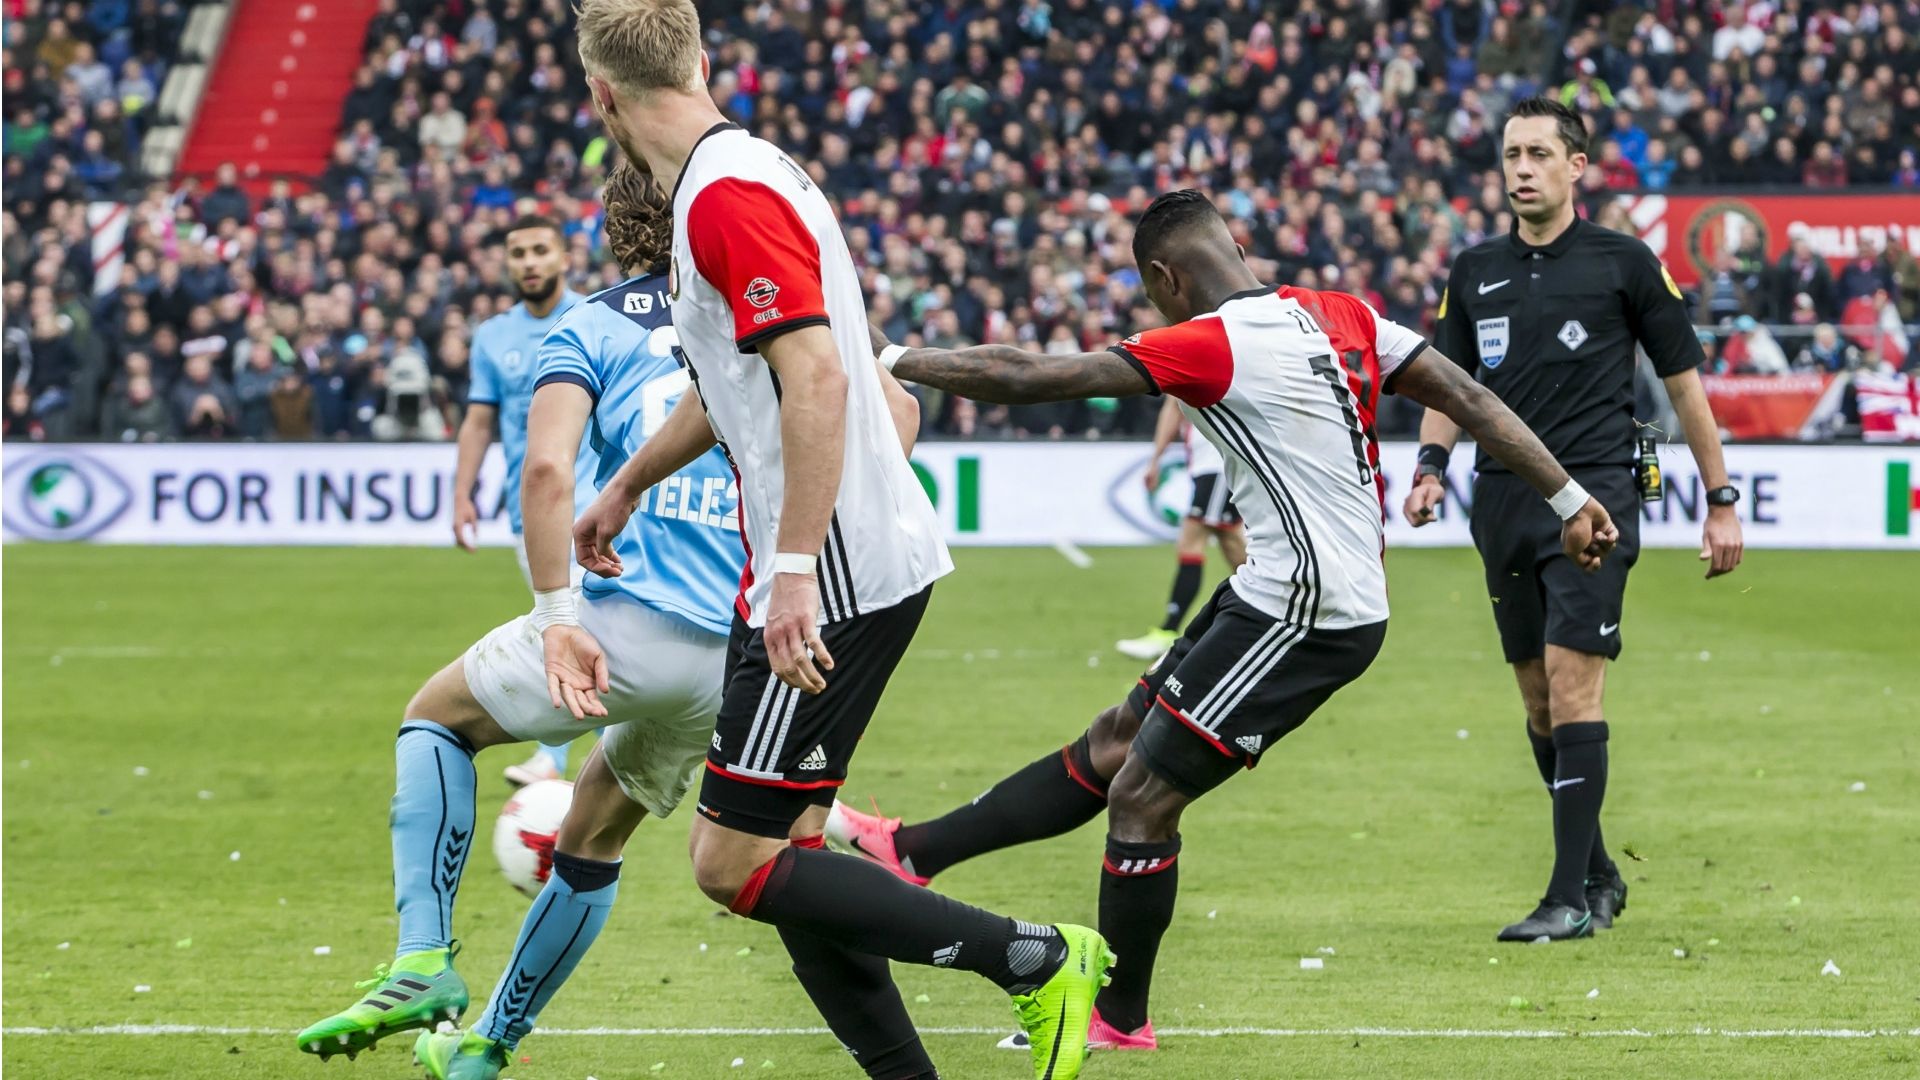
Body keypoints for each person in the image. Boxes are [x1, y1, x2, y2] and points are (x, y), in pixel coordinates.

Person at [836, 187, 1616, 1049]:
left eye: (1148, 292)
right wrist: (1571, 495)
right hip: (1276, 589)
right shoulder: (1343, 312)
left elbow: (1033, 375)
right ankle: (913, 852)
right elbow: (1469, 395)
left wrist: (895, 354)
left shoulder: (1212, 343)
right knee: (1116, 738)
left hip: (1310, 612)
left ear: (1167, 277)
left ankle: (1116, 1017)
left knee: (1141, 794)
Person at [565, 3, 1110, 1077]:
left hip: (835, 569)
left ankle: (1037, 958)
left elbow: (816, 374)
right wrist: (626, 483)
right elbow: (742, 385)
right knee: (793, 849)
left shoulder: (727, 195)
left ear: (601, 99)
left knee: (729, 862)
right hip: (839, 557)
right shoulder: (743, 176)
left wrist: (792, 571)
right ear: (702, 62)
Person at [296, 167, 746, 1069]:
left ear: (613, 235)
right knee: (593, 835)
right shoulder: (757, 319)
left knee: (434, 719)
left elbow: (546, 472)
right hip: (733, 658)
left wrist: (556, 617)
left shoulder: (591, 321)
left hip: (629, 619)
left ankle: (423, 956)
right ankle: (484, 1049)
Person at [1403, 97, 1743, 942]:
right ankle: (1597, 872)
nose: (1521, 168)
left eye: (1538, 154)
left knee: (1571, 680)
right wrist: (1429, 468)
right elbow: (1445, 383)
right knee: (1537, 702)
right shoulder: (1473, 269)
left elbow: (1684, 385)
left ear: (1575, 166)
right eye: (1511, 154)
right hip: (1502, 500)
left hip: (1594, 497)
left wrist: (1721, 496)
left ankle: (1565, 899)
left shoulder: (1626, 263)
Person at [450, 214, 596, 787]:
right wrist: (462, 493)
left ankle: (555, 758)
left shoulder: (594, 317)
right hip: (527, 514)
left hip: (594, 506)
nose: (530, 262)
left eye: (540, 250)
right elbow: (479, 420)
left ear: (564, 257)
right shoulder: (493, 337)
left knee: (579, 625)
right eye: (519, 253)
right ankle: (584, 755)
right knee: (558, 624)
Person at [1114, 397, 1247, 661]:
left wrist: (1156, 458)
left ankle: (1167, 630)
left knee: (1194, 540)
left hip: (1219, 464)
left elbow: (1173, 407)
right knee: (1235, 549)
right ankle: (1286, 613)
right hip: (1212, 465)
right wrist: (1156, 459)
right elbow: (1173, 407)